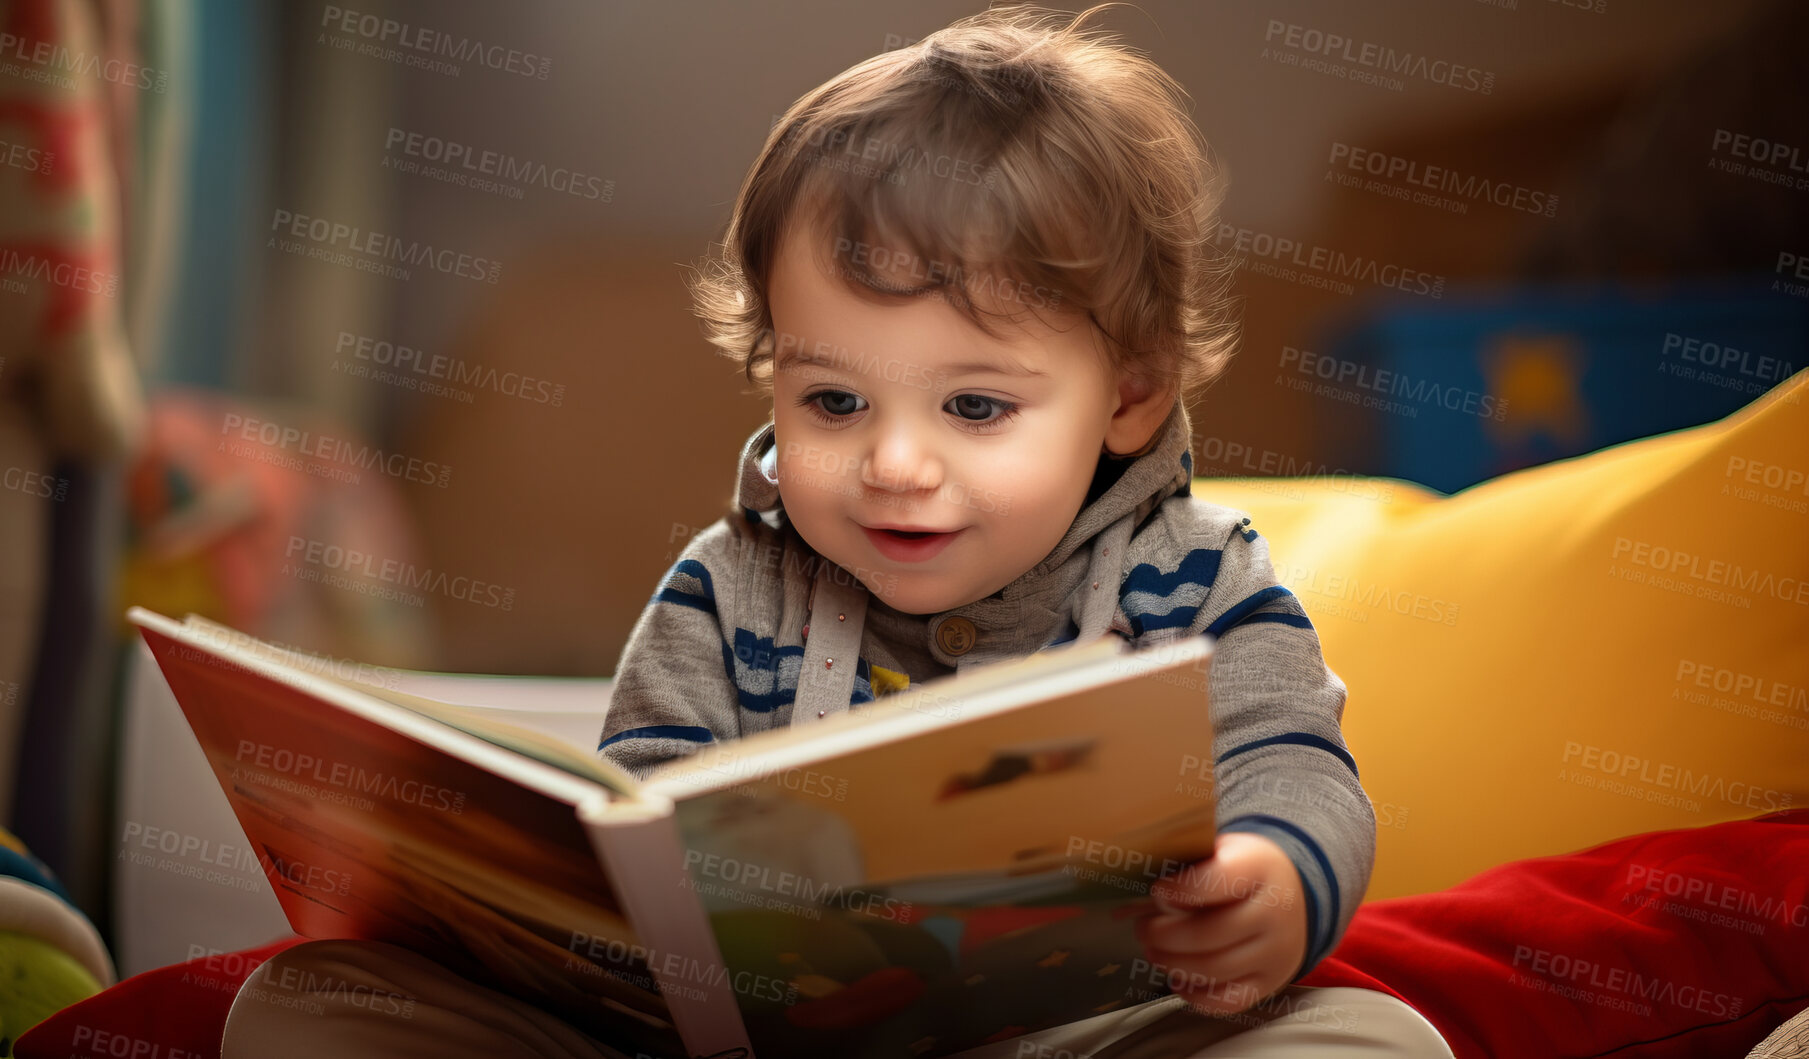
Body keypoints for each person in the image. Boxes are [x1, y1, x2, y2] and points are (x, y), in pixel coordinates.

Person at [220, 6, 1453, 1056]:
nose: (894, 464)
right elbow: (641, 823)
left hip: (1083, 1034)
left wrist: (1275, 882)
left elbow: (1296, 769)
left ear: (1128, 395)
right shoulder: (726, 587)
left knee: (1377, 1040)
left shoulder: (1199, 576)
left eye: (974, 406)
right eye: (832, 401)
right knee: (301, 1005)